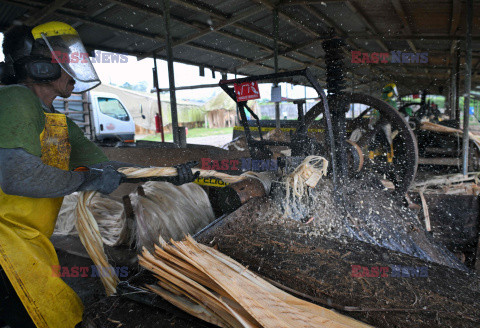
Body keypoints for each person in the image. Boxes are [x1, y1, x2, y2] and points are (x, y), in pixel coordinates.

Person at [0, 22, 197, 328]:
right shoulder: (15, 99)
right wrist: (85, 180)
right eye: (66, 60)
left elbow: (109, 169)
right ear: (40, 67)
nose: (74, 68)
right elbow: (16, 175)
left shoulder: (62, 124)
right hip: (5, 245)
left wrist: (171, 175)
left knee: (63, 314)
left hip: (31, 242)